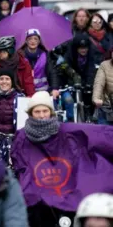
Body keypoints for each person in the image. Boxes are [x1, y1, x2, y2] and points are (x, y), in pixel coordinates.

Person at [11, 91, 113, 227]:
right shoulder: (23, 137)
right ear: (30, 114)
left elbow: (98, 135)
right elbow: (20, 163)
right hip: (38, 189)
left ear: (51, 112)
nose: (42, 116)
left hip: (67, 180)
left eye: (45, 111)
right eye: (37, 111)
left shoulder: (67, 131)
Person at [93, 53, 113, 125]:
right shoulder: (104, 65)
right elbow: (99, 83)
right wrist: (96, 98)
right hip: (107, 107)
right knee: (103, 132)